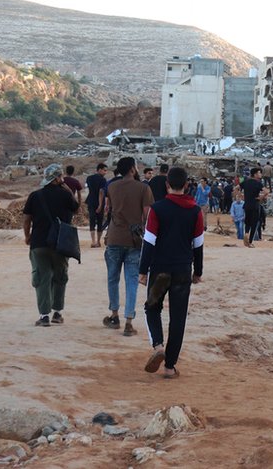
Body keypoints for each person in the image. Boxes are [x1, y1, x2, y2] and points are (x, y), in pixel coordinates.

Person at [139, 166, 204, 379]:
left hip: (160, 269)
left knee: (152, 308)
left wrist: (142, 270)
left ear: (167, 185)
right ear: (186, 185)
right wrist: (198, 271)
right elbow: (198, 244)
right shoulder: (195, 211)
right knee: (178, 318)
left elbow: (149, 242)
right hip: (183, 269)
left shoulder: (158, 209)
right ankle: (169, 366)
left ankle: (158, 345)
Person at [23, 164, 79, 327]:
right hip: (61, 242)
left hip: (39, 242)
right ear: (58, 178)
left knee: (42, 277)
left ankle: (43, 316)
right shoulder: (65, 195)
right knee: (60, 277)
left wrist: (27, 236)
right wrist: (66, 187)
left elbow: (27, 219)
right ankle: (57, 313)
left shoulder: (35, 195)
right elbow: (76, 208)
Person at [103, 157, 153, 337]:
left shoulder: (111, 187)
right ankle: (129, 321)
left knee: (112, 278)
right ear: (133, 169)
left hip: (114, 237)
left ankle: (114, 315)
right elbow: (147, 215)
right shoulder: (144, 188)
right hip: (134, 241)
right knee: (131, 281)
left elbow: (108, 210)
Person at [85, 163, 108, 248]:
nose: (105, 172)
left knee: (91, 221)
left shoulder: (89, 178)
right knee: (99, 221)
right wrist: (100, 205)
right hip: (99, 202)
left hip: (90, 201)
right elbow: (101, 192)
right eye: (104, 170)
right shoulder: (103, 180)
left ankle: (93, 241)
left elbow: (88, 190)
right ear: (99, 170)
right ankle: (98, 241)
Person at [241, 167, 266, 248]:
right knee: (254, 224)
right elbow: (266, 191)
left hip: (247, 205)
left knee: (247, 222)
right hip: (255, 205)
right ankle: (250, 242)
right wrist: (261, 198)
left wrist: (240, 196)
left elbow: (236, 188)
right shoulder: (258, 183)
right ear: (255, 174)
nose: (260, 174)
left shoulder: (245, 182)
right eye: (259, 173)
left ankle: (246, 233)